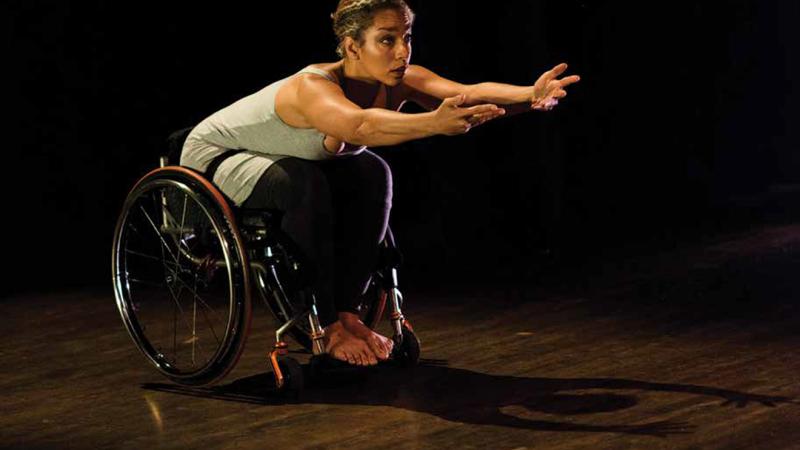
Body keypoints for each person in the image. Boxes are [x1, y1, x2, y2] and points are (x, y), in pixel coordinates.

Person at [179, 0, 580, 367]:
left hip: (289, 156)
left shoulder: (400, 79)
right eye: (387, 40)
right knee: (303, 183)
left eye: (406, 38)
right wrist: (433, 124)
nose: (402, 52)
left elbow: (467, 94)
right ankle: (324, 323)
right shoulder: (313, 87)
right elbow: (361, 124)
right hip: (217, 156)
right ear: (353, 47)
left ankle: (348, 314)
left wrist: (532, 94)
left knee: (374, 172)